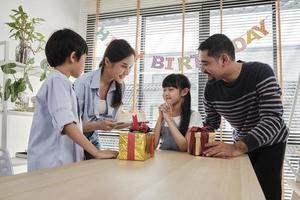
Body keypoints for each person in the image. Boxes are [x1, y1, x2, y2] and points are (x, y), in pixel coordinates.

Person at [198, 33, 289, 200]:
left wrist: (236, 148)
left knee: (266, 193)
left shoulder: (260, 72)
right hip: (241, 141)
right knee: (240, 190)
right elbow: (211, 123)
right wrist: (192, 133)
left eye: (205, 63)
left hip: (271, 143)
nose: (202, 69)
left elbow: (273, 120)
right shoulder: (210, 89)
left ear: (224, 59)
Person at [27, 29, 118, 171]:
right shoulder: (57, 82)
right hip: (50, 165)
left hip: (61, 164)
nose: (84, 65)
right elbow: (67, 124)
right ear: (73, 57)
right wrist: (96, 152)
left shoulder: (63, 83)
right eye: (85, 59)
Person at [74, 39, 135, 159]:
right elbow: (71, 127)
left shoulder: (120, 86)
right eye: (124, 66)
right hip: (73, 142)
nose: (127, 72)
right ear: (107, 61)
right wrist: (98, 125)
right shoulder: (83, 83)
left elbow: (109, 122)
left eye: (130, 67)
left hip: (92, 141)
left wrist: (129, 123)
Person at [153, 74, 202, 151]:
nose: (166, 93)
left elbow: (185, 147)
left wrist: (169, 120)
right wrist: (160, 118)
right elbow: (152, 146)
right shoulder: (164, 114)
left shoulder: (194, 116)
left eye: (171, 89)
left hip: (185, 162)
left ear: (184, 92)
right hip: (163, 161)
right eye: (164, 90)